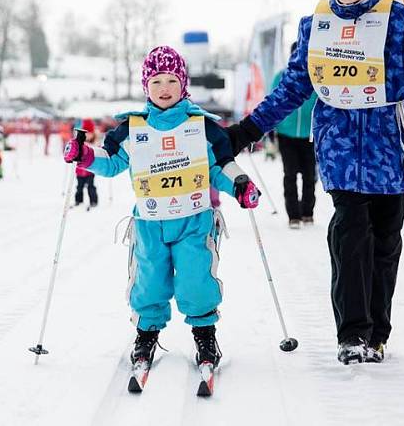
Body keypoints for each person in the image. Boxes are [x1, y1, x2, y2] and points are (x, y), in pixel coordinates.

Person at [226, 0, 404, 364]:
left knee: (385, 243)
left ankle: (377, 333)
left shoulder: (401, 20)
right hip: (340, 147)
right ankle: (353, 334)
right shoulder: (315, 26)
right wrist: (248, 130)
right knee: (349, 235)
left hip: (391, 148)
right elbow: (292, 87)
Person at [63, 46, 261, 372]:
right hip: (150, 222)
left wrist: (241, 185)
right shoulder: (132, 129)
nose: (164, 88)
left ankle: (205, 335)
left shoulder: (201, 126)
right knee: (149, 281)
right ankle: (146, 334)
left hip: (194, 221)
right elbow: (111, 162)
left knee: (197, 279)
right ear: (146, 87)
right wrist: (83, 156)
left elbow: (220, 166)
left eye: (171, 80)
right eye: (156, 81)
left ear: (183, 84)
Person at [272, 42, 318, 229]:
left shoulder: (316, 76)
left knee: (309, 175)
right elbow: (273, 101)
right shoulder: (281, 76)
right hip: (286, 133)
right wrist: (270, 127)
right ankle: (293, 215)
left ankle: (307, 212)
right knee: (290, 174)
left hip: (309, 134)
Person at [74, 118, 99, 209]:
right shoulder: (79, 143)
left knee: (90, 186)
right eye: (86, 134)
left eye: (89, 134)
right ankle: (78, 201)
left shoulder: (94, 144)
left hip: (90, 170)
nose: (87, 136)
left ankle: (93, 201)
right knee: (79, 187)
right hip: (80, 170)